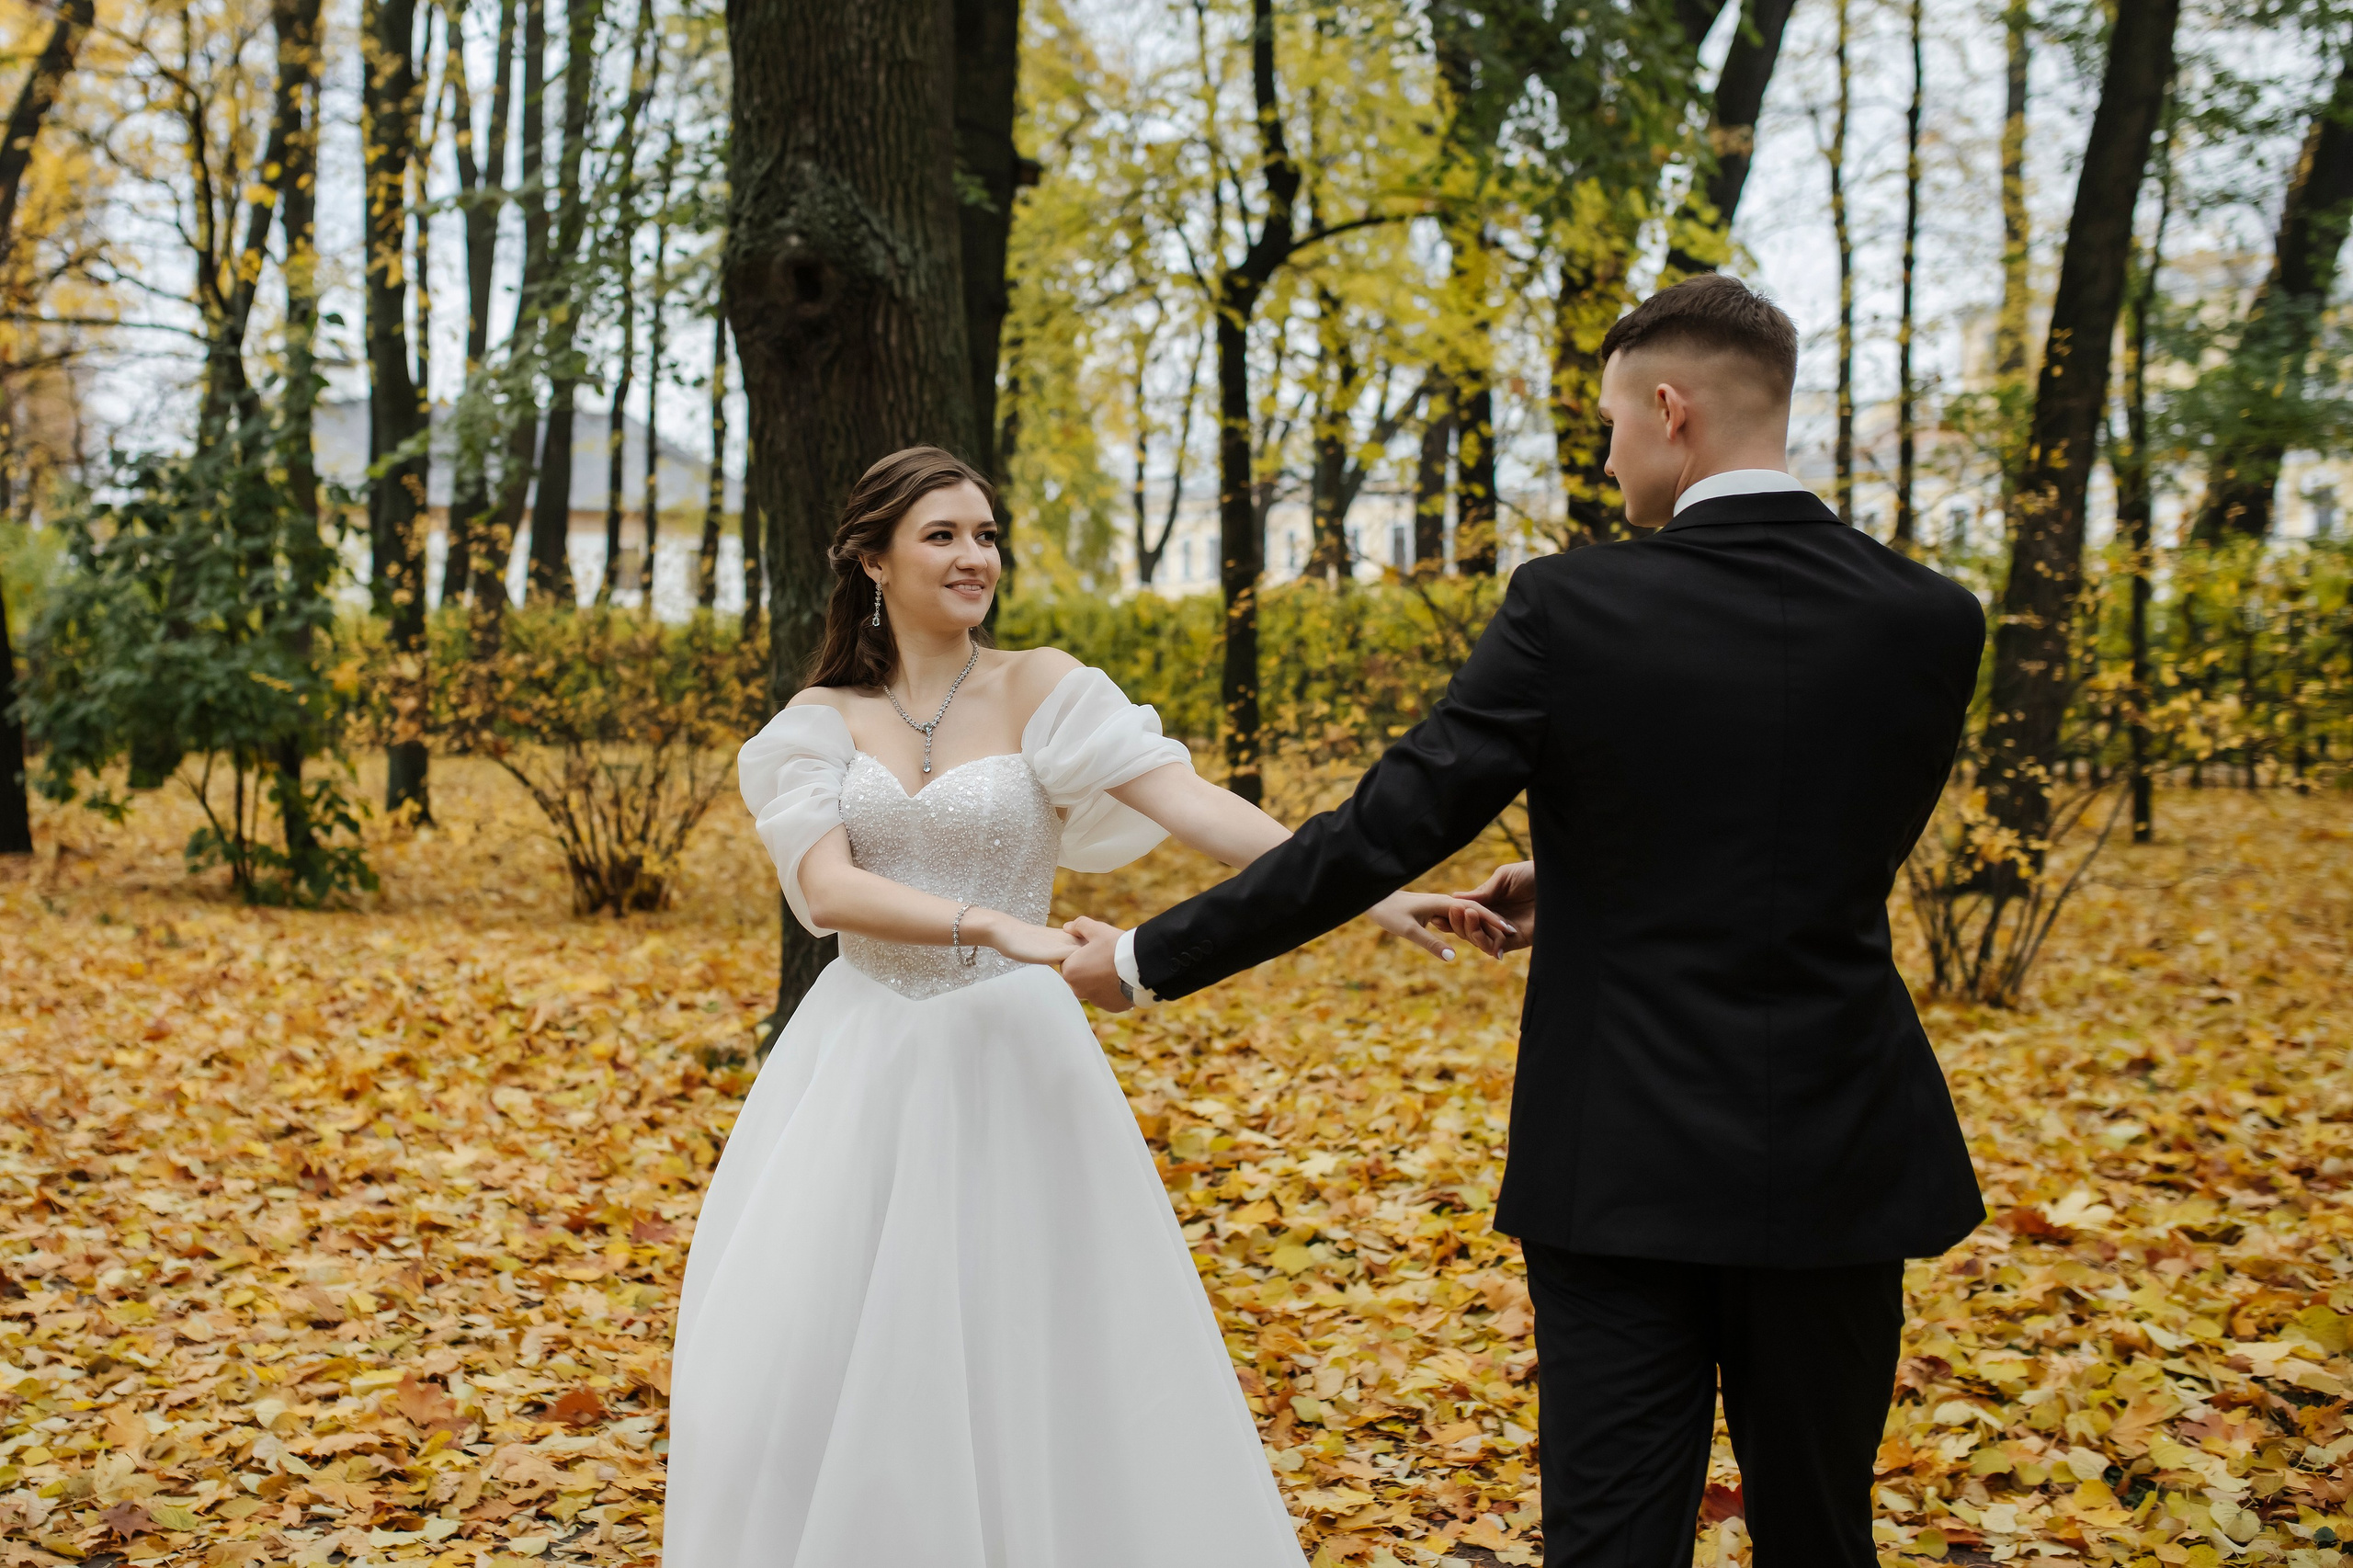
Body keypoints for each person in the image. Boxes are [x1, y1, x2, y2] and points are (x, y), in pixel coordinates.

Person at [1063, 275, 1988, 1566]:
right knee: (1824, 1531)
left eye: (1612, 421)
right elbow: (1819, 840)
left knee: (1608, 1542)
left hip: (1622, 1154)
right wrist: (1594, 871)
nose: (1608, 454)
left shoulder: (1575, 606)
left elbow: (1380, 833)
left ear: (1670, 409)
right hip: (1839, 1145)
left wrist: (1147, 957)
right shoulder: (1932, 619)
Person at [667, 446, 1502, 1568]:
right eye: (943, 535)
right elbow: (825, 889)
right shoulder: (817, 720)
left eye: (986, 534)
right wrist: (997, 925)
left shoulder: (1042, 685)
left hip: (1013, 1058)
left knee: (1041, 1346)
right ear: (872, 558)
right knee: (814, 1356)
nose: (975, 557)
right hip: (858, 1064)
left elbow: (1197, 805)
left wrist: (1378, 891)